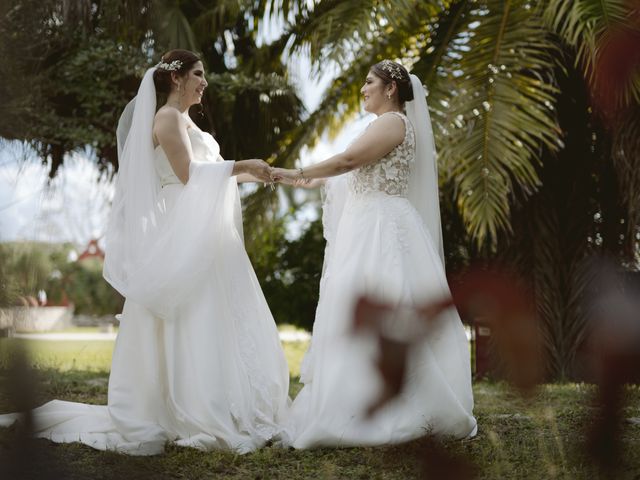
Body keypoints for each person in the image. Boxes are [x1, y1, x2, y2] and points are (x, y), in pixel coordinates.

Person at [0, 49, 290, 455]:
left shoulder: (185, 120)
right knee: (189, 310)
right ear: (176, 79)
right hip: (181, 225)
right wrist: (242, 164)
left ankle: (224, 399)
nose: (204, 82)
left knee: (214, 309)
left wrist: (251, 171)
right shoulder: (167, 118)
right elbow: (190, 175)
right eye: (199, 74)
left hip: (203, 226)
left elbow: (208, 173)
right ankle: (187, 404)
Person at [272, 60, 477, 448]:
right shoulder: (384, 125)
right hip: (371, 224)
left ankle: (387, 405)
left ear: (392, 89)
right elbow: (332, 174)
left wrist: (291, 170)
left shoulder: (393, 123)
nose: (362, 89)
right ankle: (359, 398)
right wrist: (285, 175)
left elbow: (347, 162)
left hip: (381, 227)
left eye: (369, 82)